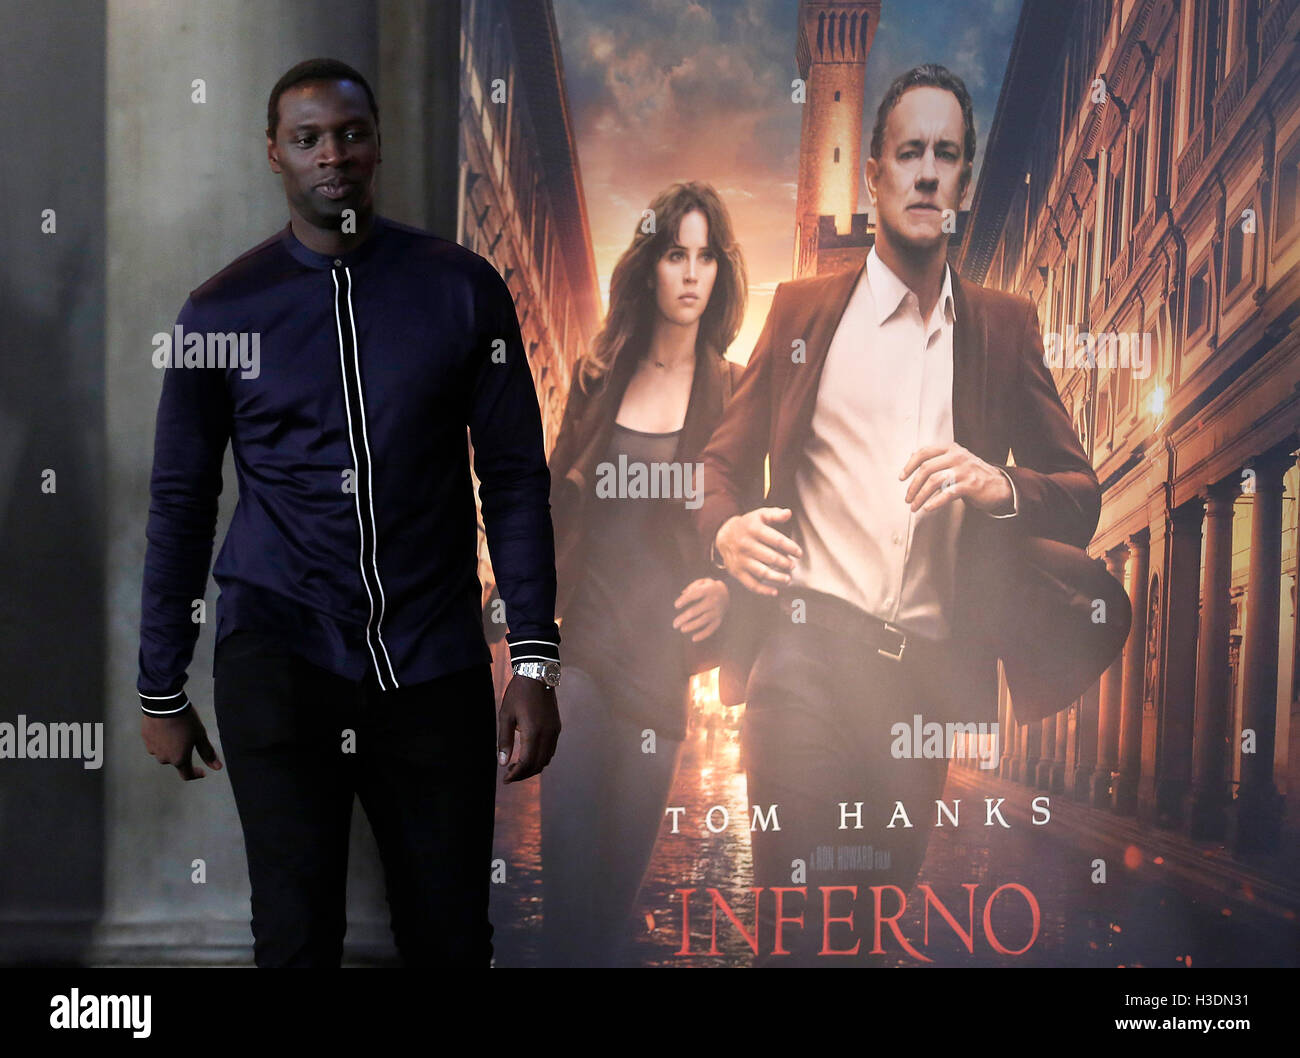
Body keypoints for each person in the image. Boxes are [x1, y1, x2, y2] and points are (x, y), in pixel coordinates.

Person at [136, 58, 562, 967]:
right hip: (280, 655)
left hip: (435, 655)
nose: (333, 154)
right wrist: (159, 686)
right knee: (295, 940)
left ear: (377, 147)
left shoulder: (462, 288)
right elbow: (181, 501)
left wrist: (533, 659)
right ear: (274, 156)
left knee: (449, 940)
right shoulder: (220, 312)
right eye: (308, 138)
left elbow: (516, 478)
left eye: (351, 134)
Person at [698, 64, 1102, 965]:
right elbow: (718, 466)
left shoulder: (1004, 328)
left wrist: (1001, 486)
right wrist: (724, 530)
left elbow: (1081, 495)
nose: (927, 172)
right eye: (909, 152)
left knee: (869, 933)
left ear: (964, 182)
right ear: (874, 173)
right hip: (802, 661)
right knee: (799, 937)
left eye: (946, 155)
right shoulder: (802, 312)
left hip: (922, 690)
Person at [539, 182, 750, 967]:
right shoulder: (600, 380)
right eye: (674, 254)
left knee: (609, 909)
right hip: (583, 659)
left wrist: (728, 587)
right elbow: (550, 507)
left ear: (719, 274)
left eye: (705, 257)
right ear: (651, 266)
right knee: (564, 882)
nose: (691, 274)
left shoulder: (735, 392)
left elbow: (753, 521)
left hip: (660, 677)